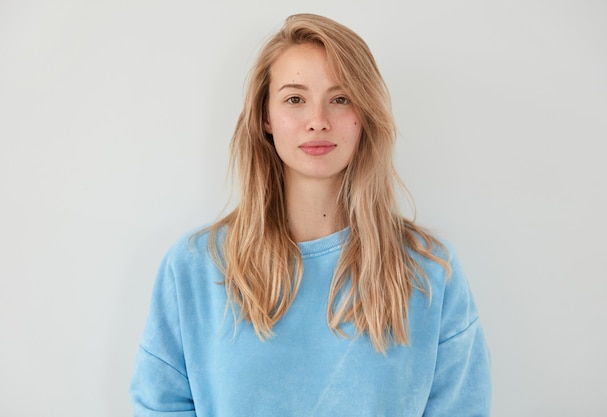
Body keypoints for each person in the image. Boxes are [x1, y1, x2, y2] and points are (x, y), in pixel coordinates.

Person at [129, 13, 491, 416]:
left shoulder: (429, 272)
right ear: (266, 117)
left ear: (364, 114)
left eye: (340, 99)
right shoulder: (195, 268)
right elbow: (160, 406)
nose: (318, 121)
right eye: (295, 99)